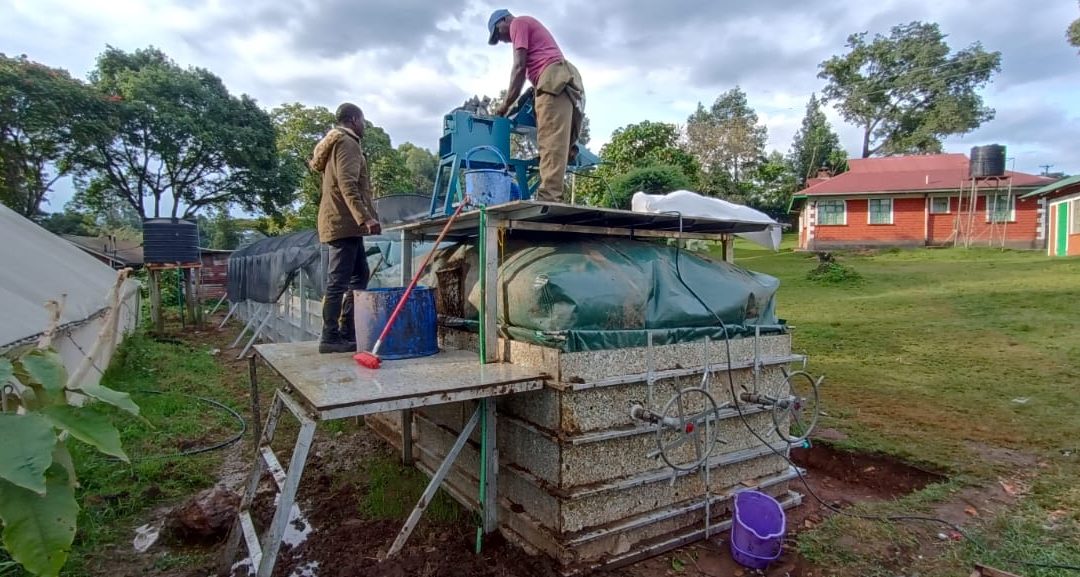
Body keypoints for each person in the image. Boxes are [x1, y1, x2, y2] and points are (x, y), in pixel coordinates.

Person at [488, 9, 584, 203]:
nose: (503, 40)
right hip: (564, 82)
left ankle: (549, 198)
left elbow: (519, 67)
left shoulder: (519, 23)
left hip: (553, 81)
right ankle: (553, 193)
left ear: (504, 20)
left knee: (550, 142)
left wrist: (505, 105)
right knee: (560, 143)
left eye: (498, 33)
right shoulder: (527, 25)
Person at [309, 103, 381, 354]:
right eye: (362, 120)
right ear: (353, 119)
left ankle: (346, 332)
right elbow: (347, 184)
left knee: (359, 275)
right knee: (339, 281)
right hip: (344, 223)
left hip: (345, 223)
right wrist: (365, 218)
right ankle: (330, 337)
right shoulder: (347, 143)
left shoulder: (338, 142)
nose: (364, 125)